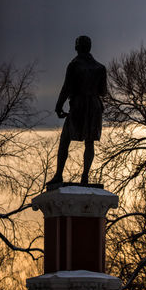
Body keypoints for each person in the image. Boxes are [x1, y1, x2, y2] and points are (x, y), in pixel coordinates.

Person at [48, 35, 107, 185]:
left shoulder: (74, 65)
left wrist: (58, 106)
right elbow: (103, 91)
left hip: (79, 104)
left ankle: (59, 175)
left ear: (77, 47)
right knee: (90, 141)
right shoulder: (100, 67)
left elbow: (66, 87)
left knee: (65, 139)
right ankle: (84, 177)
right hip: (94, 105)